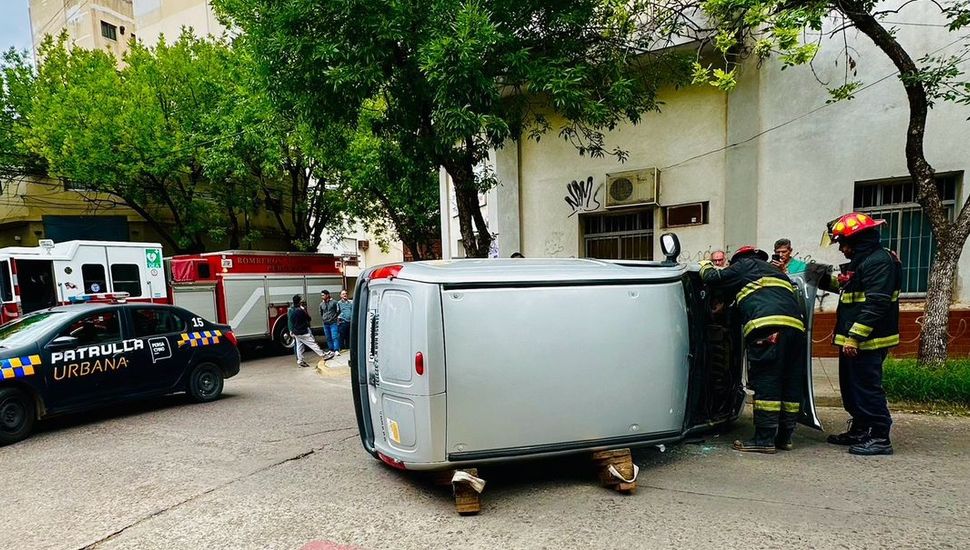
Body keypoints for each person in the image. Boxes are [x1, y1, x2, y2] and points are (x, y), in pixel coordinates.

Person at [700, 246, 807, 453]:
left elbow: (713, 276)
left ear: (739, 260)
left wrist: (705, 264)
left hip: (768, 330)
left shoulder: (744, 266)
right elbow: (743, 305)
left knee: (768, 382)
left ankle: (764, 440)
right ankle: (784, 438)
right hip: (796, 331)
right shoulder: (777, 273)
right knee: (790, 383)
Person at [815, 212, 901, 456]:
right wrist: (812, 274)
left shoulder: (880, 261)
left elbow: (876, 303)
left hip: (868, 341)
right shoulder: (864, 260)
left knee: (866, 388)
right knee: (851, 389)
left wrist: (855, 337)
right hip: (854, 339)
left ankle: (879, 436)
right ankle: (861, 428)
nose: (842, 249)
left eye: (844, 243)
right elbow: (845, 286)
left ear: (858, 239)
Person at [288, 294, 331, 367]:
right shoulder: (300, 310)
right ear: (299, 302)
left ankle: (300, 361)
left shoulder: (291, 310)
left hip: (296, 332)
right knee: (312, 343)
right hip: (303, 332)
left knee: (299, 346)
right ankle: (324, 355)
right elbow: (308, 318)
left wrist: (291, 330)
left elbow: (290, 321)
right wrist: (303, 310)